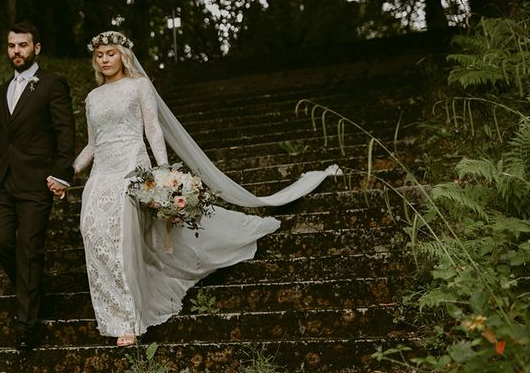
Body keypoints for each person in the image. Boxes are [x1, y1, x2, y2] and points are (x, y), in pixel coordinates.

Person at [71, 31, 341, 347]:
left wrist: (163, 175)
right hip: (101, 173)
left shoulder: (138, 86)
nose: (105, 60)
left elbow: (153, 131)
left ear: (123, 56)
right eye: (100, 55)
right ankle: (111, 312)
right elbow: (91, 144)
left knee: (122, 240)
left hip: (132, 169)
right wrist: (68, 172)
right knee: (92, 233)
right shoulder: (92, 97)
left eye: (110, 53)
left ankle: (129, 322)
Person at [0, 22, 75, 349]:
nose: (16, 51)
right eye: (12, 46)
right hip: (2, 182)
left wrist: (61, 174)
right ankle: (32, 288)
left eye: (23, 46)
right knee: (2, 243)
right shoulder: (4, 90)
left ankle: (26, 326)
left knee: (30, 251)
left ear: (36, 48)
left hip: (35, 182)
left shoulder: (52, 84)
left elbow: (65, 132)